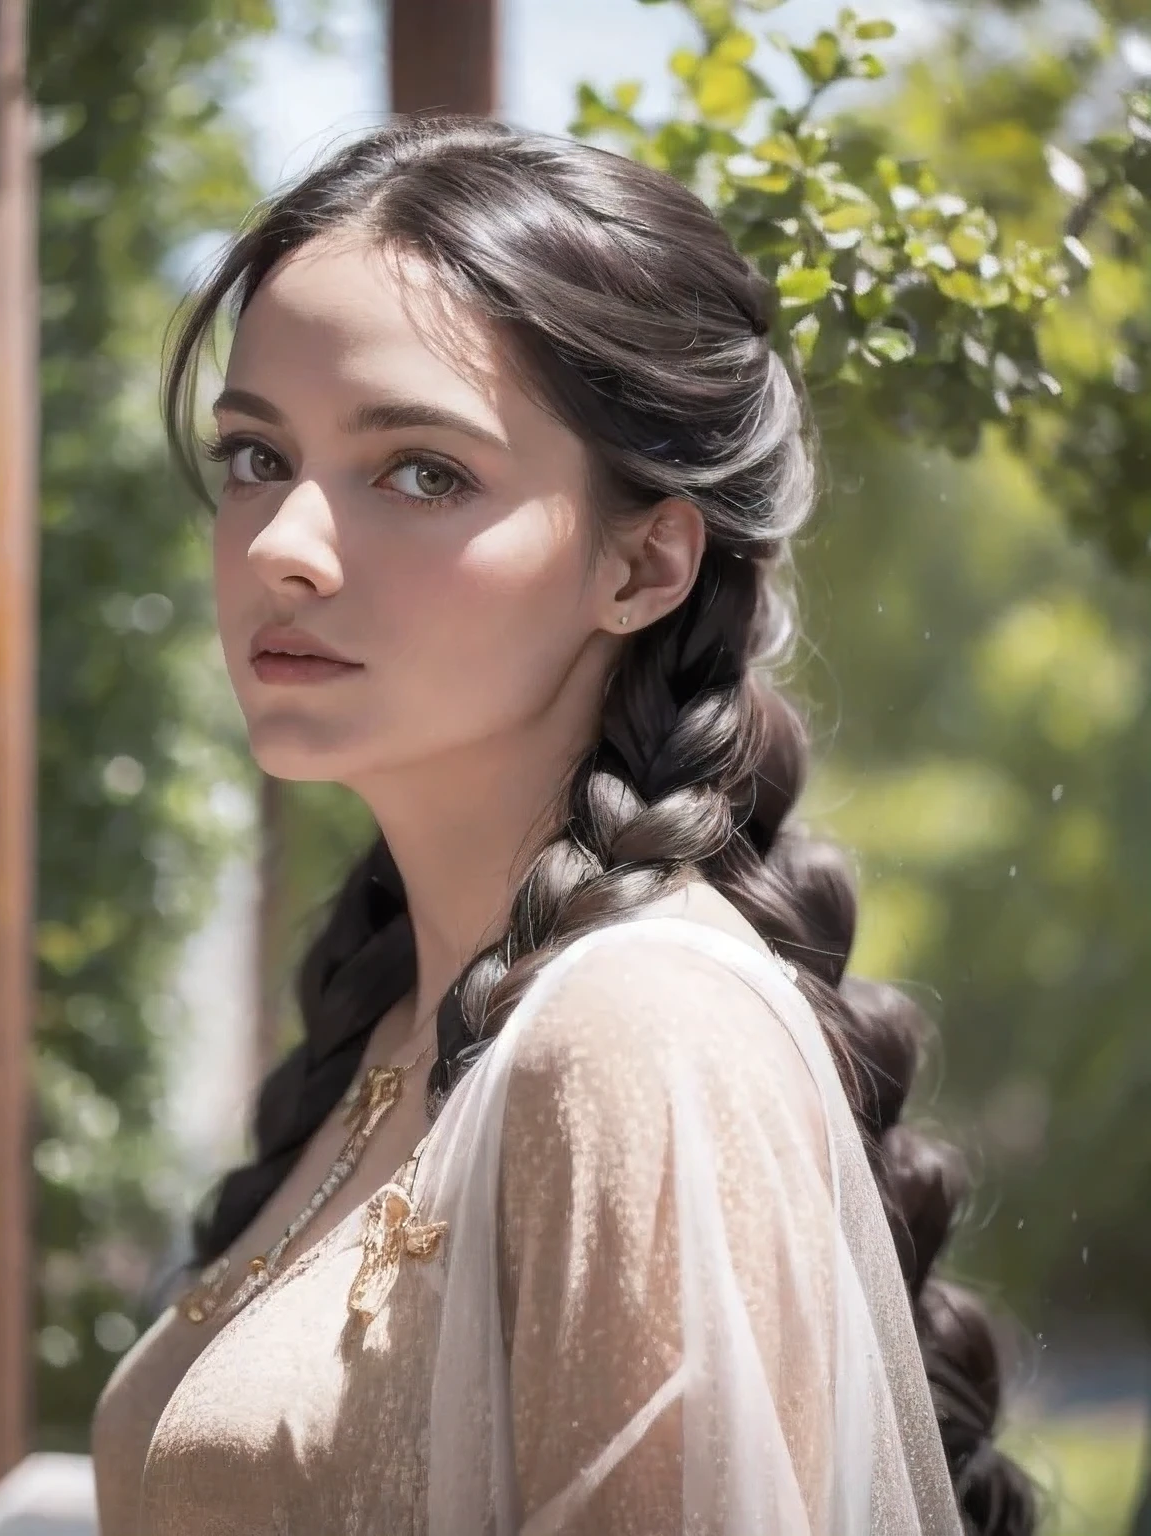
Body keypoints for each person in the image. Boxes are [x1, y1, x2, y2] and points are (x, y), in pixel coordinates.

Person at [90, 114, 1036, 1535]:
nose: (282, 545)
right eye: (255, 457)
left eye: (420, 471)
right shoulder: (418, 1010)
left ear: (644, 561)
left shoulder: (632, 1040)